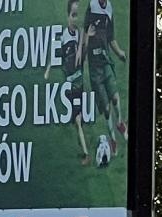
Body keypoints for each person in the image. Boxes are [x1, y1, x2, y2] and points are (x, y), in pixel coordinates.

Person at [44, 0, 91, 163]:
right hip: (71, 84)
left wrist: (86, 41)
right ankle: (85, 151)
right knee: (77, 120)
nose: (75, 19)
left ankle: (86, 154)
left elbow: (82, 53)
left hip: (77, 83)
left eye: (77, 15)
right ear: (67, 16)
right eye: (73, 15)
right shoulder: (64, 37)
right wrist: (48, 70)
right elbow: (57, 54)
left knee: (78, 120)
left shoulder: (78, 33)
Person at [84, 0, 128, 154]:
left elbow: (111, 38)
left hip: (106, 61)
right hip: (95, 68)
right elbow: (85, 36)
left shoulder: (109, 8)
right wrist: (87, 40)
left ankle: (120, 123)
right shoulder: (92, 7)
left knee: (115, 98)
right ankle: (113, 140)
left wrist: (120, 53)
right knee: (107, 109)